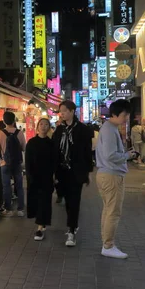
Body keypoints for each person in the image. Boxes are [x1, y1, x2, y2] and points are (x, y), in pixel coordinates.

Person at [96, 99, 136, 259]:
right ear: (115, 114)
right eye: (125, 115)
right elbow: (110, 155)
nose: (126, 118)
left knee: (108, 210)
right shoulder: (109, 130)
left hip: (107, 174)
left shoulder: (108, 128)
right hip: (112, 175)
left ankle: (107, 243)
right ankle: (108, 245)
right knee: (113, 212)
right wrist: (127, 155)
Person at [52, 101, 93, 246]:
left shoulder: (82, 130)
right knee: (68, 201)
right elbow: (55, 151)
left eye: (64, 111)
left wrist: (88, 172)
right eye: (60, 111)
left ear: (72, 111)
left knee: (74, 200)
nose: (61, 113)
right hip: (62, 171)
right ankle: (72, 225)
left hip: (76, 171)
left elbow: (88, 152)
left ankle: (71, 231)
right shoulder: (59, 130)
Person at [25, 117, 55, 240]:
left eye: (46, 124)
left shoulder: (51, 143)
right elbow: (27, 161)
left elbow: (54, 162)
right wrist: (29, 176)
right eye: (41, 124)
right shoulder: (31, 143)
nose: (43, 126)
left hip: (47, 178)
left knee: (45, 201)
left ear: (49, 127)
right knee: (37, 201)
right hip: (34, 177)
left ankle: (39, 228)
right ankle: (41, 223)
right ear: (37, 127)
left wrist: (54, 176)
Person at [0, 111, 26, 217]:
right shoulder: (19, 132)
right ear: (14, 120)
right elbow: (24, 148)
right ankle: (20, 209)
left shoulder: (0, 133)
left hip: (5, 163)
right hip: (17, 163)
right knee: (19, 186)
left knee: (6, 186)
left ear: (4, 121)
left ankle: (8, 209)